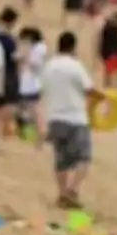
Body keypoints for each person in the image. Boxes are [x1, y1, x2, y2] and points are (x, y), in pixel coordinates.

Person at [42, 32, 106, 208]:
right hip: (75, 117)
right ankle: (73, 189)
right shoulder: (75, 66)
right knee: (83, 158)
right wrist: (104, 96)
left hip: (55, 116)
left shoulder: (49, 66)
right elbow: (89, 89)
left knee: (61, 159)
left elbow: (43, 89)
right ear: (73, 47)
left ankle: (62, 193)